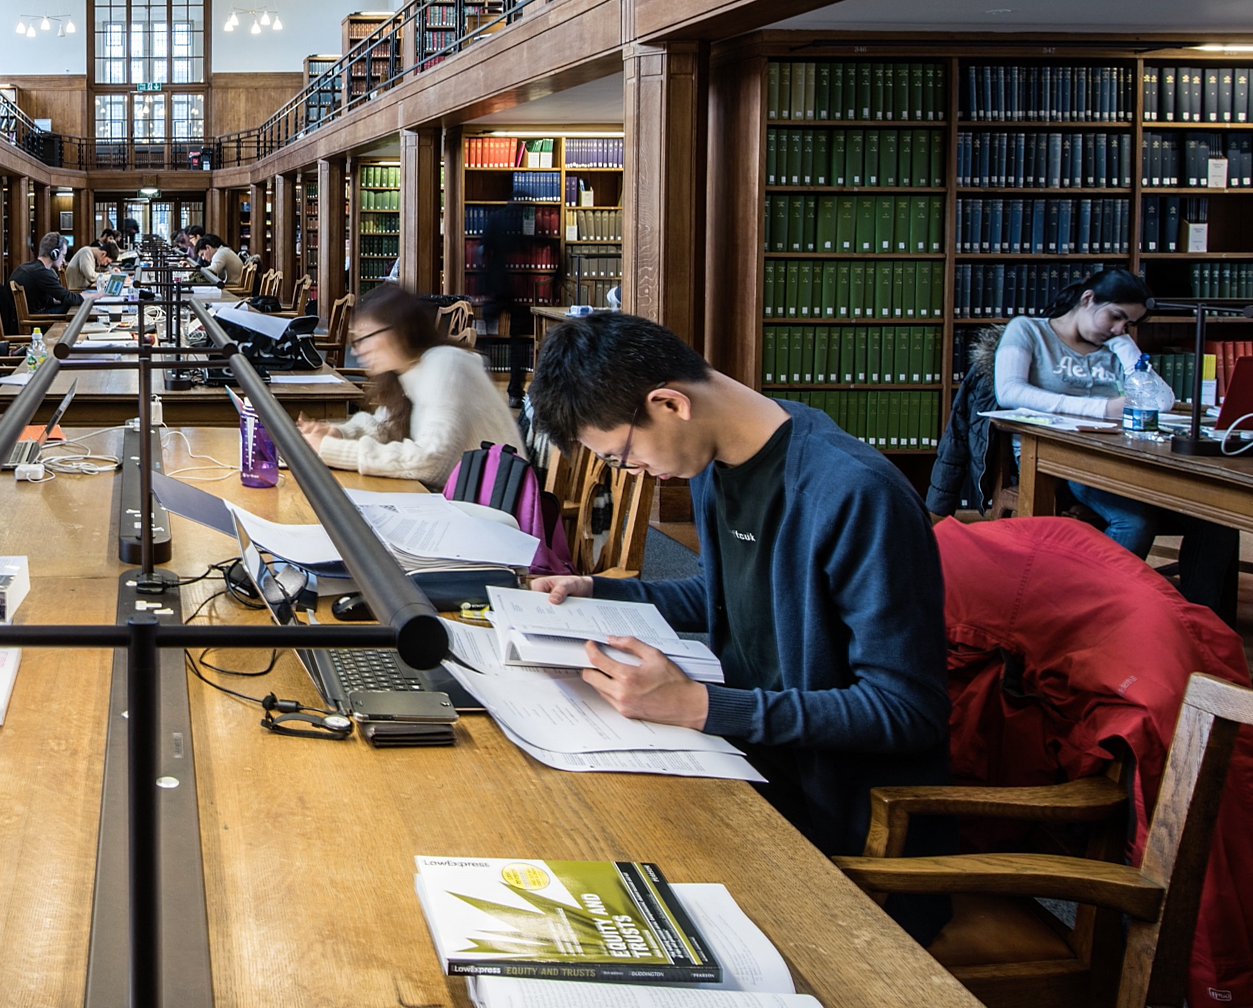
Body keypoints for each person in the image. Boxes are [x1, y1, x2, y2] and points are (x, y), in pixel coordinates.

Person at [525, 313, 952, 937]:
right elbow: (735, 595)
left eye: (625, 455)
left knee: (608, 903)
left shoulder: (853, 493)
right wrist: (598, 591)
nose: (632, 473)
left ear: (669, 403)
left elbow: (906, 709)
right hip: (747, 763)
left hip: (840, 824)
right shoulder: (717, 462)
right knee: (564, 832)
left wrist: (701, 706)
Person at [992, 268, 1238, 616]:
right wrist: (1103, 408)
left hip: (1125, 456)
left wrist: (1126, 349)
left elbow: (1161, 402)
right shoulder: (1029, 330)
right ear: (1088, 299)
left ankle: (1199, 621)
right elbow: (1010, 392)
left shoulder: (1117, 344)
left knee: (1216, 520)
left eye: (1129, 324)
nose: (1119, 327)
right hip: (1059, 456)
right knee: (1134, 521)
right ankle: (1093, 611)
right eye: (1116, 317)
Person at [296, 285, 520, 486]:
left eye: (364, 338)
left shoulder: (446, 364)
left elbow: (433, 462)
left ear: (397, 332)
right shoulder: (406, 372)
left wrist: (332, 449)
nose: (356, 350)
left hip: (493, 508)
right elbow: (383, 425)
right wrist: (339, 433)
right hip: (456, 501)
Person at [479, 202, 533, 407]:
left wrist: (482, 287)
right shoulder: (524, 220)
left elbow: (483, 249)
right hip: (519, 288)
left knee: (486, 341)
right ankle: (515, 393)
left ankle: (483, 390)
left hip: (494, 286)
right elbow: (529, 247)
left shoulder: (495, 218)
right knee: (517, 344)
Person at [10, 234, 83, 316]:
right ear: (54, 253)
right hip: (35, 321)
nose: (64, 261)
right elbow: (69, 298)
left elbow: (43, 299)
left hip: (21, 319)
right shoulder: (42, 273)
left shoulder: (25, 267)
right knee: (73, 309)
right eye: (63, 255)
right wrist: (93, 296)